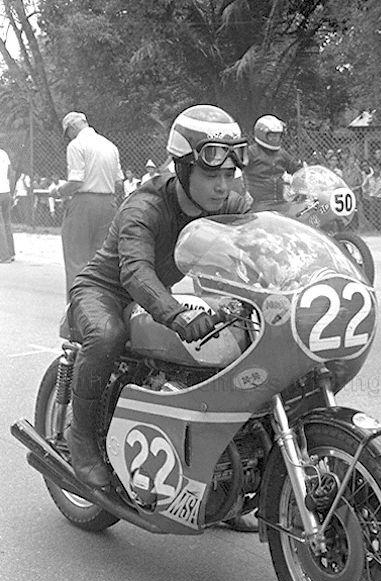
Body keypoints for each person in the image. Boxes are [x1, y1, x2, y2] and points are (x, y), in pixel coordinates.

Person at [65, 104, 259, 533]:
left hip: (156, 296)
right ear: (184, 167)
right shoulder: (146, 205)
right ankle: (81, 438)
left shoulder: (227, 203)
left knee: (234, 348)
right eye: (211, 175)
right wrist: (176, 314)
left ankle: (223, 477)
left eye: (229, 175)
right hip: (104, 291)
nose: (223, 185)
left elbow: (263, 233)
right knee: (107, 335)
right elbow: (135, 271)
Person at [51, 111, 124, 295]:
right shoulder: (110, 146)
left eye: (68, 132)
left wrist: (58, 191)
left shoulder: (76, 145)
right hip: (108, 204)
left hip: (84, 204)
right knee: (102, 260)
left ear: (72, 127)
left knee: (76, 258)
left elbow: (76, 182)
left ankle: (78, 304)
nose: (69, 137)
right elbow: (119, 183)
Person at [244, 114, 301, 212]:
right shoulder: (251, 152)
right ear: (261, 134)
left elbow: (297, 169)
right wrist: (244, 192)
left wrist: (307, 174)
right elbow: (237, 171)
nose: (275, 138)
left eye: (278, 135)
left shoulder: (281, 153)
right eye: (272, 135)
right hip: (259, 204)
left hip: (281, 202)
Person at [0, 145, 15, 262]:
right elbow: (11, 173)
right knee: (6, 223)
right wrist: (11, 190)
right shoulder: (3, 153)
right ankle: (11, 252)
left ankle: (4, 256)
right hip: (5, 191)